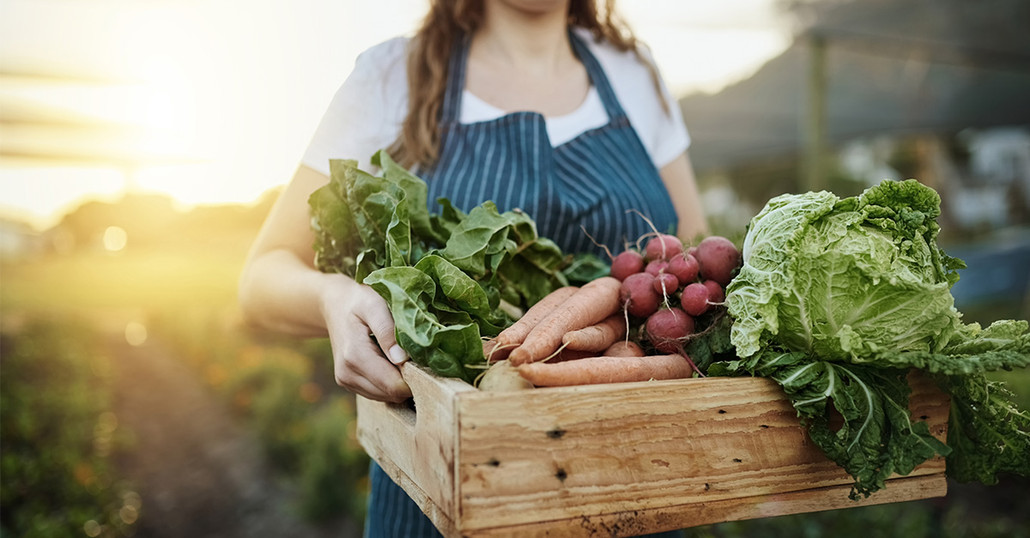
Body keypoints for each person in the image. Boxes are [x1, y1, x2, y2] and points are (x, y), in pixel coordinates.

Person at [239, 0, 708, 536]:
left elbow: (694, 261)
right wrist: (332, 299)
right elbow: (260, 277)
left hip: (637, 482)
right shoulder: (391, 77)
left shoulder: (632, 72)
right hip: (442, 490)